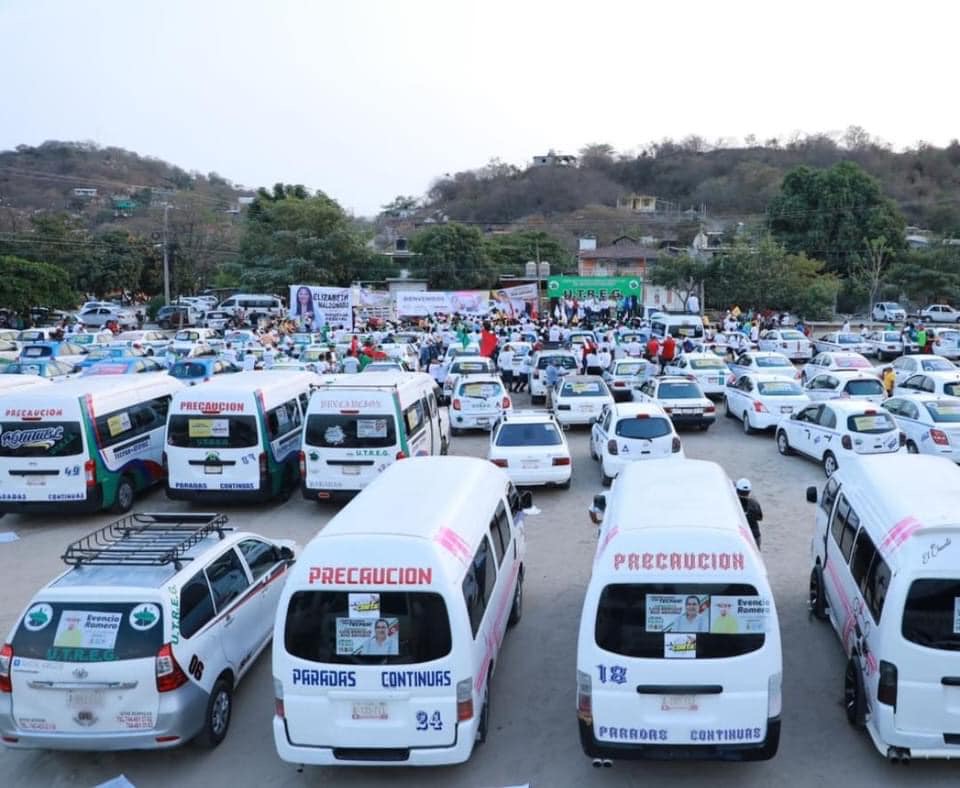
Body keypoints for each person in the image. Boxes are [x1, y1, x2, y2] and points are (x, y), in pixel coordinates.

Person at [736, 478, 763, 549]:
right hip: (755, 535)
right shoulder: (754, 503)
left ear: (737, 490)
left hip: (741, 535)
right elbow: (760, 518)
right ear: (749, 491)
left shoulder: (734, 502)